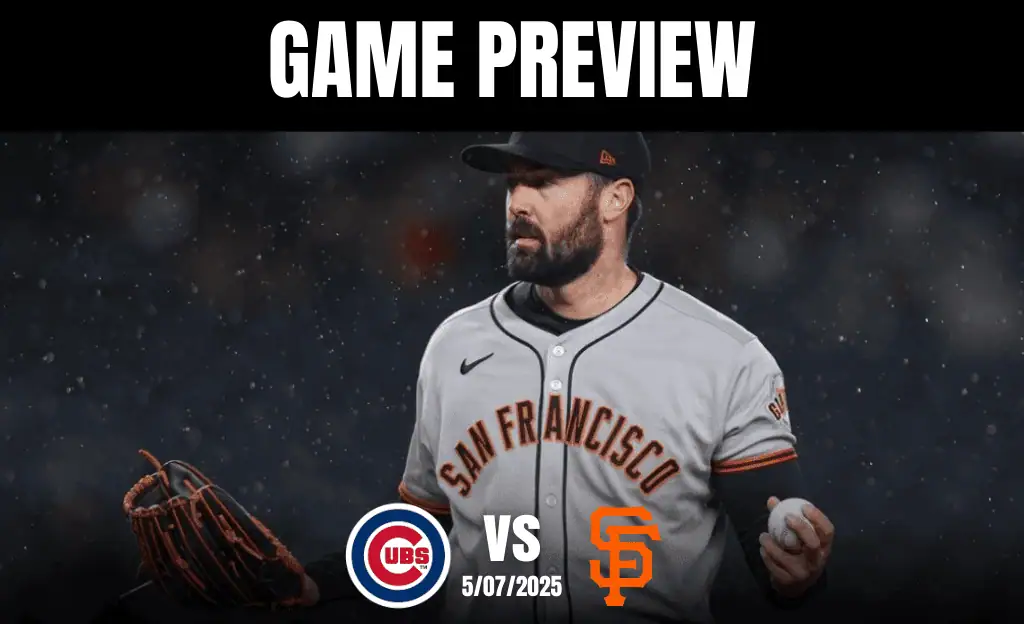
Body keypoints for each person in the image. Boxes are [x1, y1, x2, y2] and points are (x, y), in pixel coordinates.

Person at [300, 132, 834, 624]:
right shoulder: (454, 345)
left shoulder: (724, 356)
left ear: (615, 198)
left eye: (544, 182)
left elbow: (775, 546)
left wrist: (798, 571)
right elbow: (426, 530)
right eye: (513, 183)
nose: (518, 203)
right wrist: (318, 581)